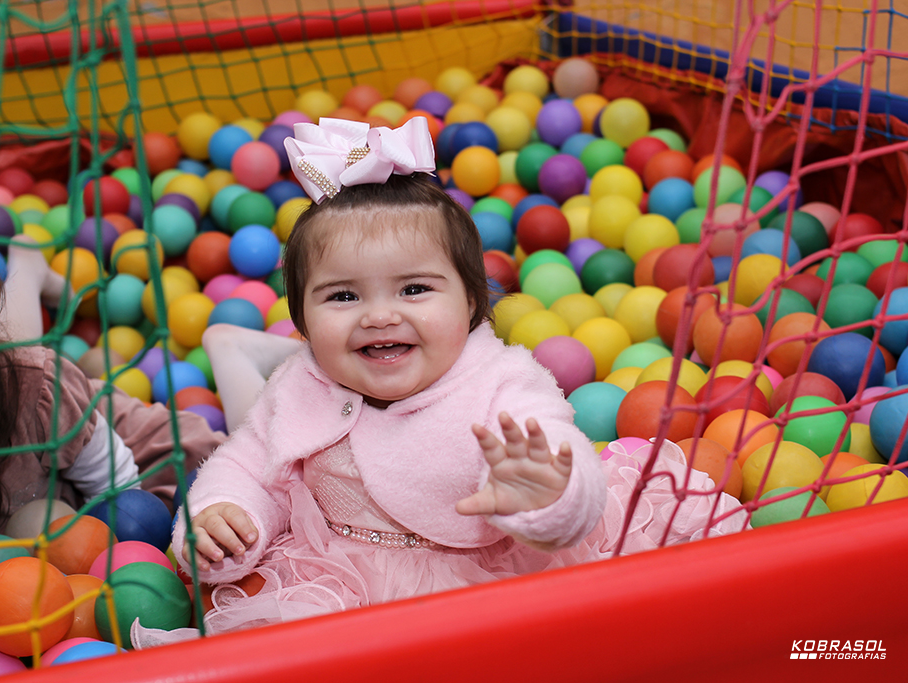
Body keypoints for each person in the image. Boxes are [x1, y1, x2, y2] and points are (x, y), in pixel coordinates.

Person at [134, 117, 745, 648]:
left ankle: (236, 350)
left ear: (472, 303)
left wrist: (543, 492)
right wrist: (224, 514)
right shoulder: (303, 382)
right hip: (337, 578)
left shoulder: (501, 381)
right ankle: (237, 350)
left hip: (482, 573)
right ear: (302, 321)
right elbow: (248, 462)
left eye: (414, 289)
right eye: (343, 296)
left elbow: (559, 455)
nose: (379, 315)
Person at [0, 187, 223, 532]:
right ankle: (27, 267)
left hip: (135, 453)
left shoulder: (41, 390)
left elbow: (123, 497)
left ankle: (232, 347)